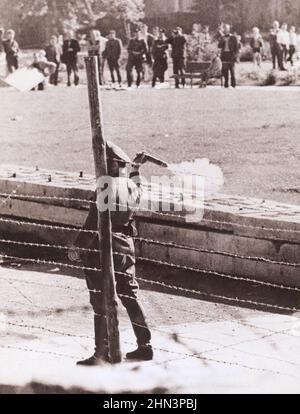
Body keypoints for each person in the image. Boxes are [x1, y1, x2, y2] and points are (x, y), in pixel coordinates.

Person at [69, 142, 153, 365]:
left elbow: (93, 222)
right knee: (129, 294)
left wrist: (78, 246)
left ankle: (102, 351)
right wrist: (136, 169)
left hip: (102, 246)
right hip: (126, 244)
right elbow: (139, 187)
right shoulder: (130, 185)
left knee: (100, 299)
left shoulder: (104, 186)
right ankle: (145, 345)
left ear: (109, 163)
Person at [218, 24, 239, 88]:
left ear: (229, 29)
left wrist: (236, 56)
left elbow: (236, 48)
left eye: (227, 28)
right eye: (225, 29)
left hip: (231, 55)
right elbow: (219, 46)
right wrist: (222, 40)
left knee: (232, 70)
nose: (226, 30)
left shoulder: (233, 37)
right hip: (224, 55)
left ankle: (233, 84)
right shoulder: (222, 37)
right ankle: (226, 84)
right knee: (225, 71)